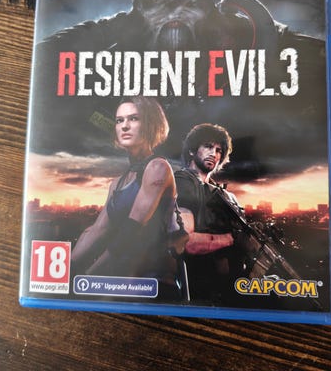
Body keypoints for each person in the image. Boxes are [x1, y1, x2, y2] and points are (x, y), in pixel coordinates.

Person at [71, 97, 188, 300]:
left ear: (151, 124)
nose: (124, 126)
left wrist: (89, 276)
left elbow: (131, 232)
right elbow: (96, 230)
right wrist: (67, 268)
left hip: (156, 282)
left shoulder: (158, 168)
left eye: (134, 118)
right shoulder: (117, 183)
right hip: (124, 279)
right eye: (119, 120)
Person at [175, 123, 258, 305]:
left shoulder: (224, 195)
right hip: (200, 291)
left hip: (227, 290)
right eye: (208, 146)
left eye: (219, 150)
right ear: (192, 150)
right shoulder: (184, 182)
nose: (214, 153)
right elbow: (186, 242)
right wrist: (233, 238)